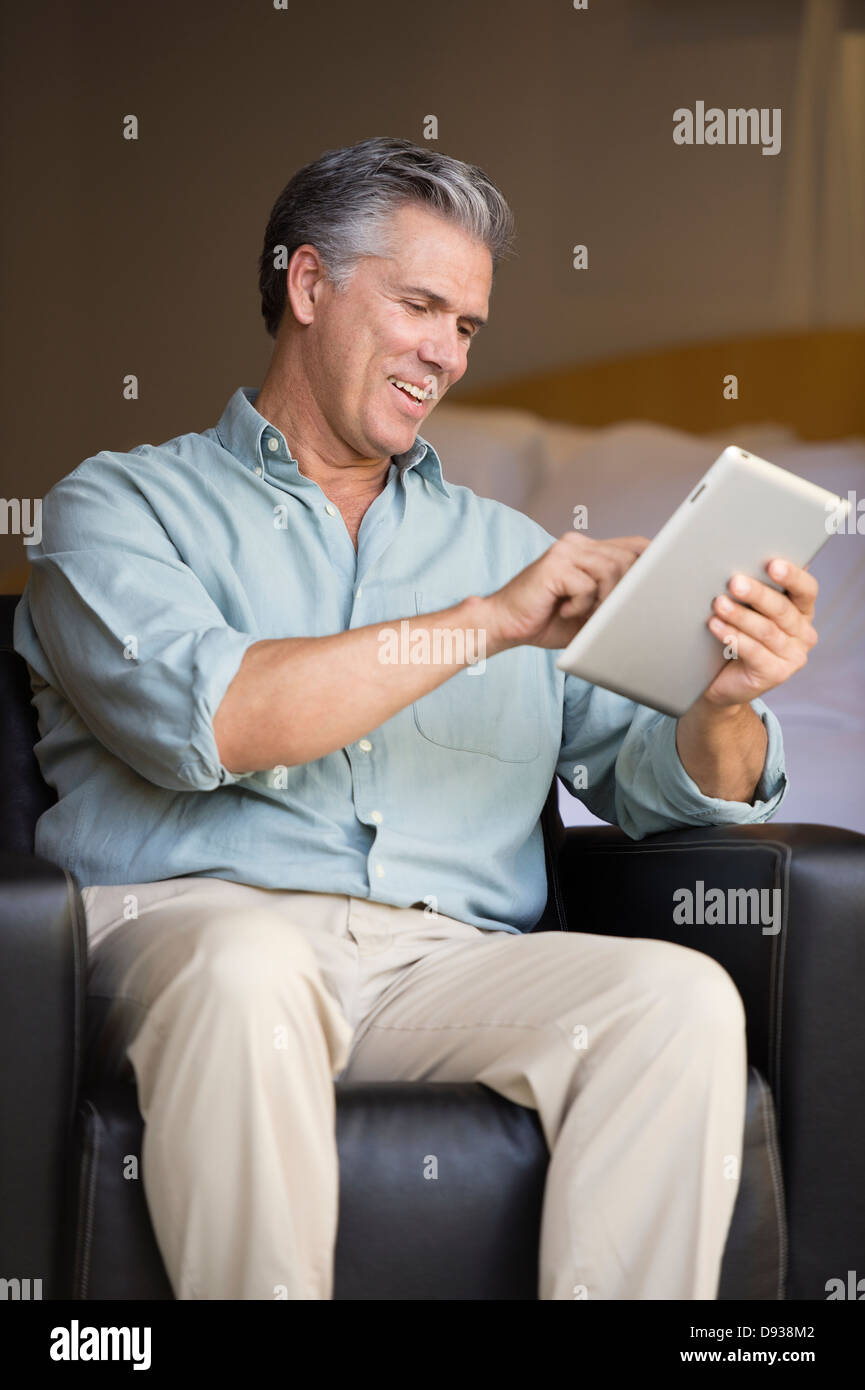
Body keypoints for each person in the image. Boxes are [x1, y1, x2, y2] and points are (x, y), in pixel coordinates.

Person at [14, 135, 817, 1301]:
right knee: (247, 970)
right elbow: (218, 718)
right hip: (187, 938)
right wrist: (483, 624)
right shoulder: (118, 507)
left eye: (468, 327)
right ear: (307, 285)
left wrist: (724, 702)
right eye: (421, 306)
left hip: (442, 963)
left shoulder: (506, 547)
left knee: (677, 1000)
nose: (444, 353)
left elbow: (665, 785)